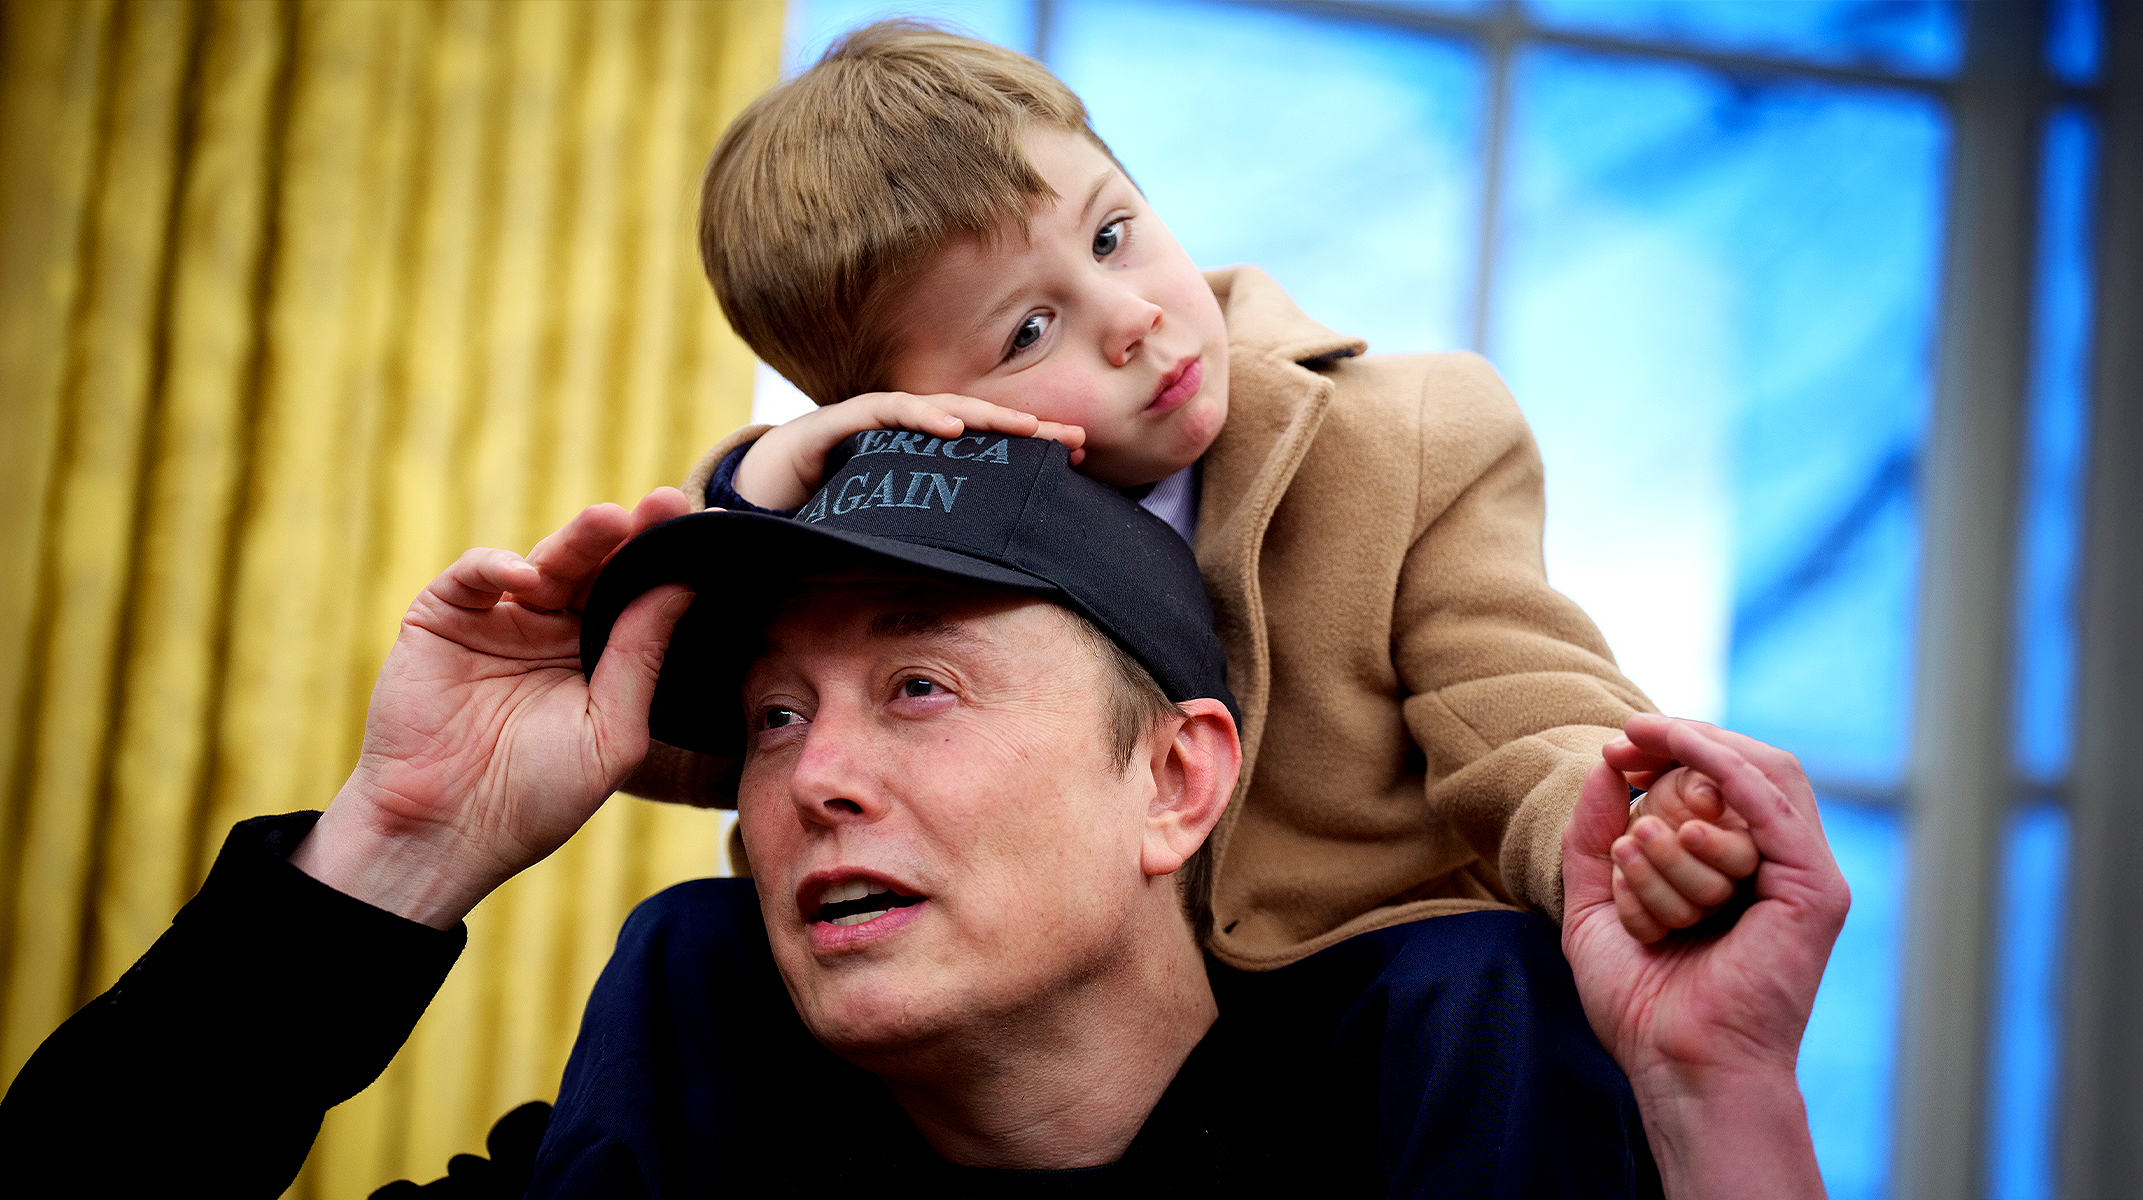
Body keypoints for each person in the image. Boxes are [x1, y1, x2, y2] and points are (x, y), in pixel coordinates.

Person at [0, 438, 1844, 1199]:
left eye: (918, 686)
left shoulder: (1455, 1082)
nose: (813, 775)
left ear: (1178, 779)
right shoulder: (682, 1112)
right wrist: (401, 843)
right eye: (771, 717)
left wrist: (1713, 1105)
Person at [636, 22, 1758, 967]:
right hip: (1021, 1022)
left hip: (1341, 984)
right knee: (697, 949)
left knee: (1483, 979)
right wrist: (762, 504)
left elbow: (1523, 703)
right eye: (1030, 330)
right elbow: (667, 736)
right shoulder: (862, 530)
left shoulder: (1404, 439)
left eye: (1113, 236)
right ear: (905, 410)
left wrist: (1620, 827)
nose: (1130, 320)